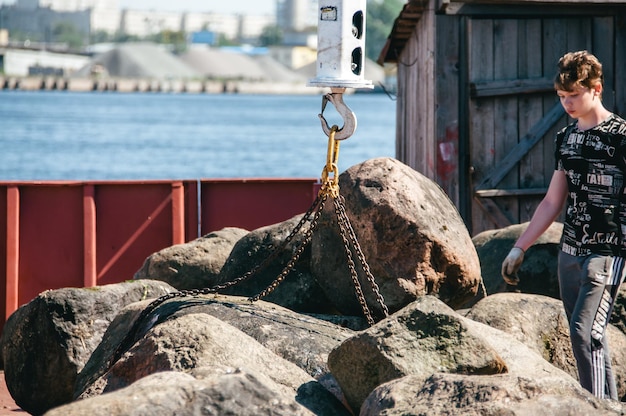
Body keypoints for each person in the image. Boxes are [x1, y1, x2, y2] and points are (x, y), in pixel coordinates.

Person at [501, 50, 626, 401]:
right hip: (569, 251)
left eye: (574, 95)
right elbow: (553, 202)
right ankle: (608, 405)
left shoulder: (621, 137)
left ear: (596, 88)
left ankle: (594, 408)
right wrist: (519, 245)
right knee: (588, 338)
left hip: (608, 251)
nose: (567, 103)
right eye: (561, 97)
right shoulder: (565, 139)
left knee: (585, 333)